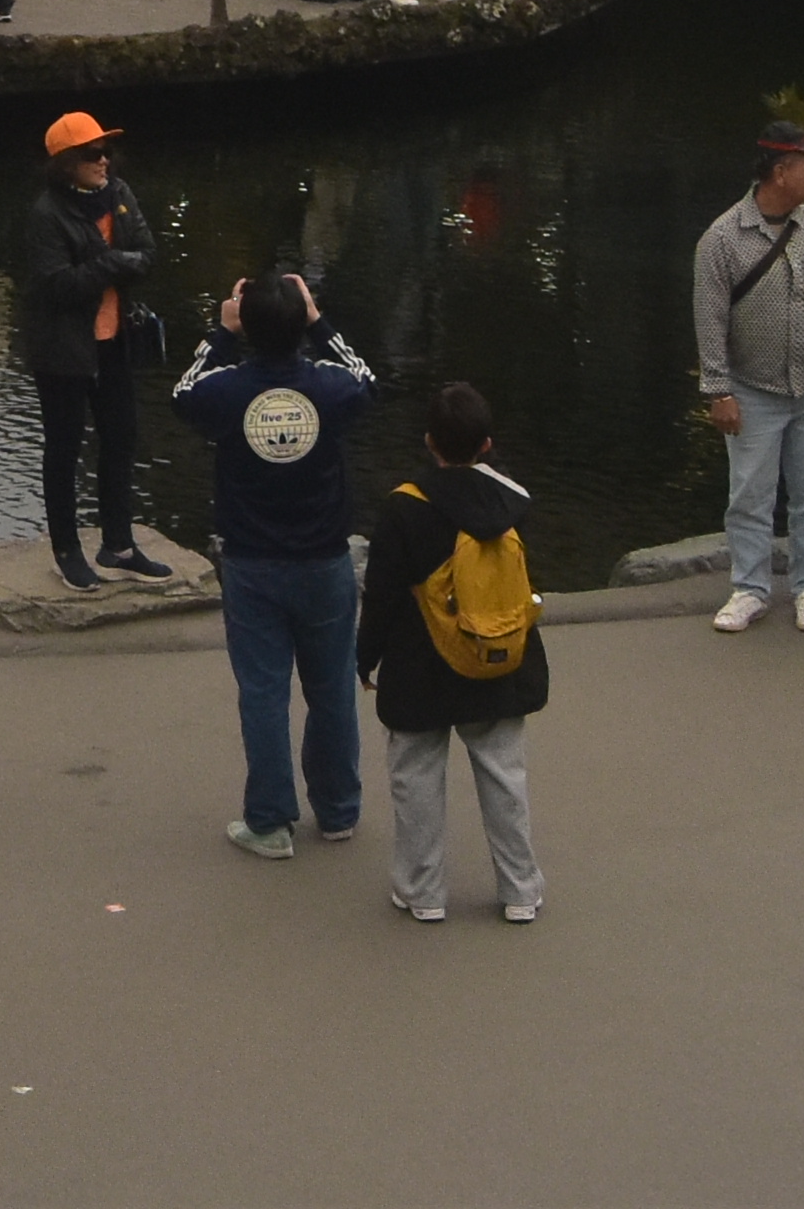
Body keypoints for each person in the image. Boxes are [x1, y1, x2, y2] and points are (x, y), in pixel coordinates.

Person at [174, 269, 379, 856]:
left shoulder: (227, 391)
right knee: (333, 687)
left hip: (252, 562)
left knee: (263, 693)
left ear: (248, 326)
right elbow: (368, 381)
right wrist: (319, 322)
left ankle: (269, 821)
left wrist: (220, 332)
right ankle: (338, 810)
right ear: (302, 324)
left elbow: (182, 393)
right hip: (324, 559)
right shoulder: (330, 387)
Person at [358, 377, 552, 927]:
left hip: (421, 663)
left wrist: (365, 656)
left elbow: (383, 593)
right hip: (499, 661)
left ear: (428, 442)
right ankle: (519, 889)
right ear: (488, 444)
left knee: (416, 776)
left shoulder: (405, 507)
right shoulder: (513, 500)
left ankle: (423, 891)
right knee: (503, 774)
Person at [690, 118, 804, 633]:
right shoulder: (721, 239)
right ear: (780, 171)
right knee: (750, 495)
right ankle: (750, 588)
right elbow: (710, 318)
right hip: (753, 386)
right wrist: (718, 389)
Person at [24, 111, 163, 580]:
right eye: (92, 154)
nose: (104, 160)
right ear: (65, 163)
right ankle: (67, 552)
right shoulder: (47, 214)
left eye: (106, 151)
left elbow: (147, 253)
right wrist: (111, 265)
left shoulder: (119, 195)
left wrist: (108, 266)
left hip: (114, 342)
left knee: (121, 441)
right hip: (62, 352)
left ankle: (119, 545)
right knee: (64, 450)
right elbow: (56, 286)